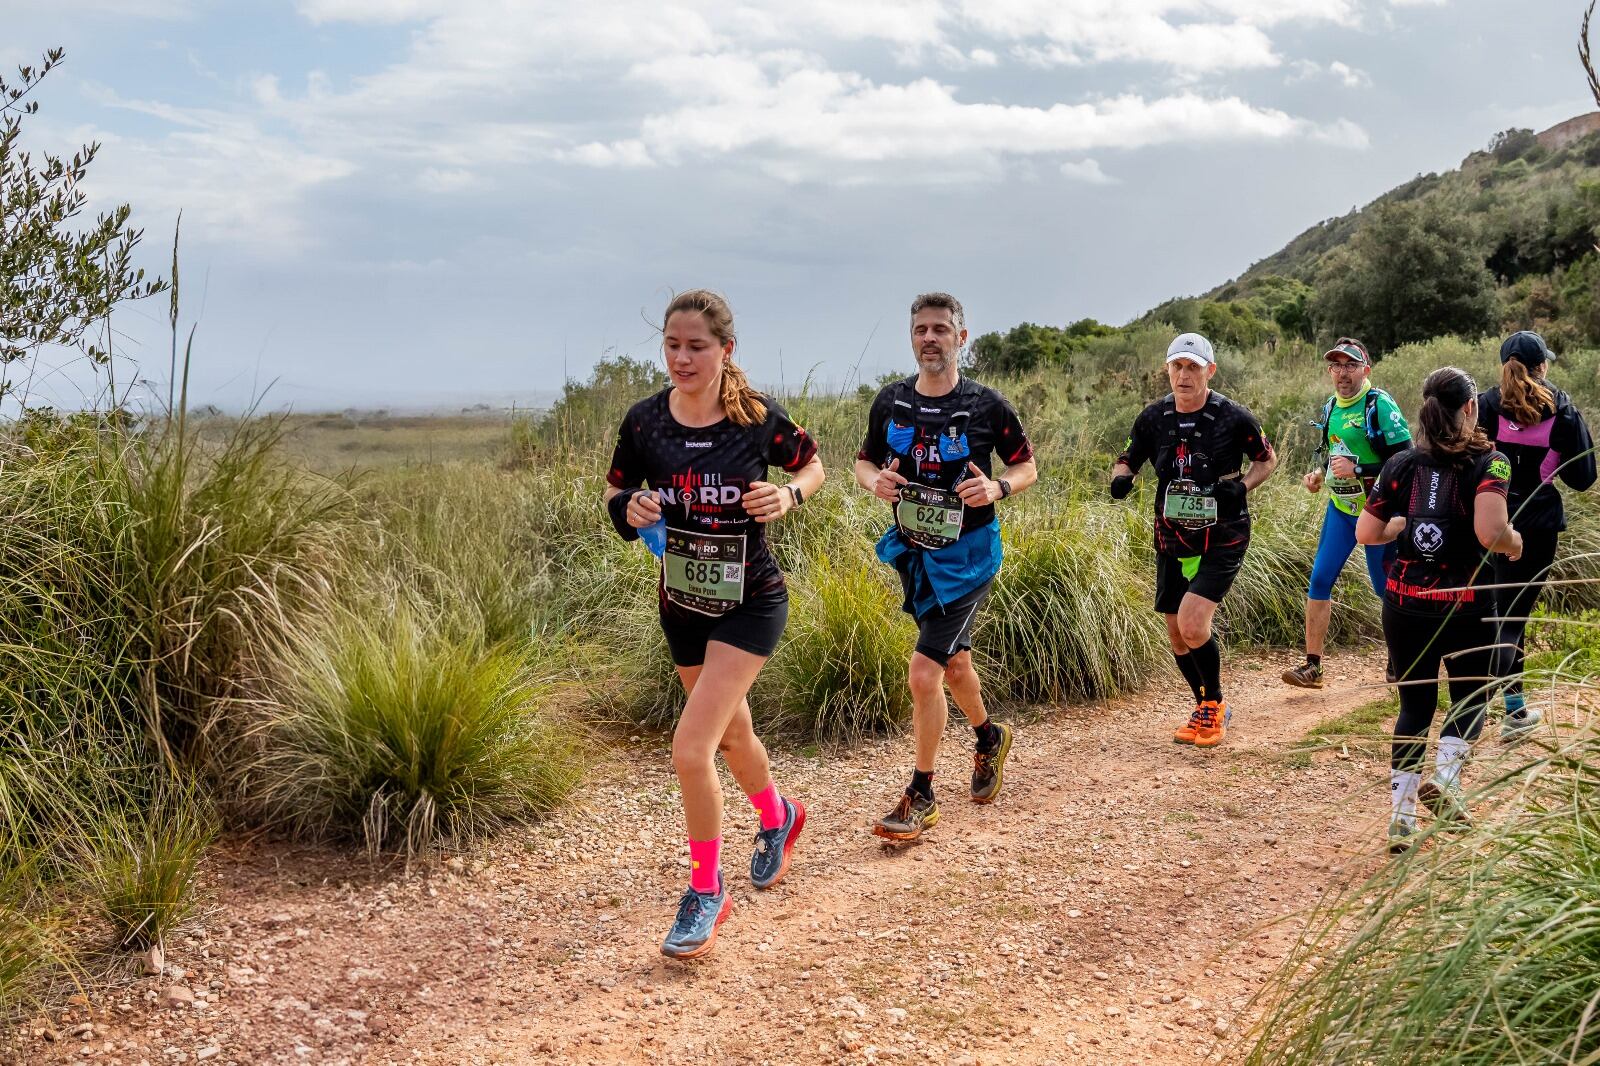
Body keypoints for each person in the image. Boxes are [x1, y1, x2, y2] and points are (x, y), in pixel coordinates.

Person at [604, 289, 826, 959]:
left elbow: (814, 465)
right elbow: (615, 490)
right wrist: (632, 509)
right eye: (672, 344)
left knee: (688, 747)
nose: (681, 357)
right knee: (732, 735)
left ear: (726, 349)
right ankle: (778, 817)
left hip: (751, 600)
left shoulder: (755, 420)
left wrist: (786, 495)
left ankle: (706, 889)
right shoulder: (645, 423)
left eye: (696, 346)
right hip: (682, 606)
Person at [855, 292, 1037, 842]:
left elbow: (1027, 466)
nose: (929, 338)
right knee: (954, 667)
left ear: (962, 337)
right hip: (915, 554)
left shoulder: (986, 404)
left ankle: (923, 794)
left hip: (968, 560)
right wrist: (875, 483)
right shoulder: (891, 402)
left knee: (923, 673)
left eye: (939, 329)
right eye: (920, 330)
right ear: (911, 338)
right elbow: (863, 463)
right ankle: (988, 738)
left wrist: (997, 487)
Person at [1357, 366, 1521, 854]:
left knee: (1415, 707)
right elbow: (1491, 532)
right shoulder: (1492, 463)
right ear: (1470, 408)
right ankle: (1447, 780)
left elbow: (1367, 533)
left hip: (1405, 603)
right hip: (1468, 606)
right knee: (1471, 698)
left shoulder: (1402, 465)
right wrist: (1514, 544)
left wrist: (1404, 524)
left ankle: (1401, 818)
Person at [1110, 333, 1277, 747]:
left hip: (1224, 534)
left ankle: (1215, 704)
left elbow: (1266, 459)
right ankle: (1203, 703)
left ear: (1210, 371)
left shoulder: (1233, 417)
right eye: (1177, 367)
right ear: (1167, 370)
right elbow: (1128, 456)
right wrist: (1122, 477)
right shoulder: (1153, 417)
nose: (1184, 376)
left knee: (1192, 623)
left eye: (1193, 368)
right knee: (1175, 632)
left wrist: (1242, 487)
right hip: (1171, 534)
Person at [1476, 331, 1596, 741]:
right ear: (1542, 365)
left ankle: (1497, 706)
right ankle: (1509, 712)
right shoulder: (1562, 409)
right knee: (1514, 618)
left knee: (1498, 610)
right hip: (1539, 524)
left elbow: (1470, 457)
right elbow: (1584, 478)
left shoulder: (1487, 404)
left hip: (1489, 519)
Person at [1283, 338, 1412, 689]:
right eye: (1336, 366)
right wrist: (1318, 476)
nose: (1343, 372)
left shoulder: (1378, 404)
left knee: (1384, 588)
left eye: (1350, 365)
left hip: (1378, 511)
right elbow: (1331, 453)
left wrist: (1358, 471)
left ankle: (1400, 657)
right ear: (1330, 372)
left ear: (1365, 370)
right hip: (1341, 509)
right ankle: (1312, 666)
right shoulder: (1330, 407)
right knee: (1320, 580)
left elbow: (1406, 460)